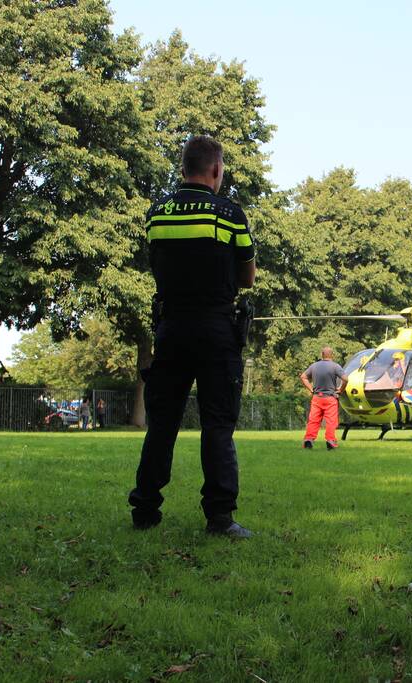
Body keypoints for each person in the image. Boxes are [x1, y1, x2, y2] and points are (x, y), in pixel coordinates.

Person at [127, 135, 257, 538]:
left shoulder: (157, 214)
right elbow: (247, 276)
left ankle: (145, 509)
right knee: (217, 425)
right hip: (217, 328)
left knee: (162, 424)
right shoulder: (230, 214)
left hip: (171, 328)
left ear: (183, 167)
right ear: (216, 170)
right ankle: (219, 518)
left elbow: (158, 267)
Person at [300, 347, 348, 450]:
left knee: (313, 420)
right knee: (331, 421)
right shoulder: (335, 366)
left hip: (317, 397)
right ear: (332, 355)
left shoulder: (314, 366)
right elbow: (345, 379)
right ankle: (330, 441)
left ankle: (309, 439)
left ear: (322, 354)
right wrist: (341, 390)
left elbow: (303, 377)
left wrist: (311, 389)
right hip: (330, 398)